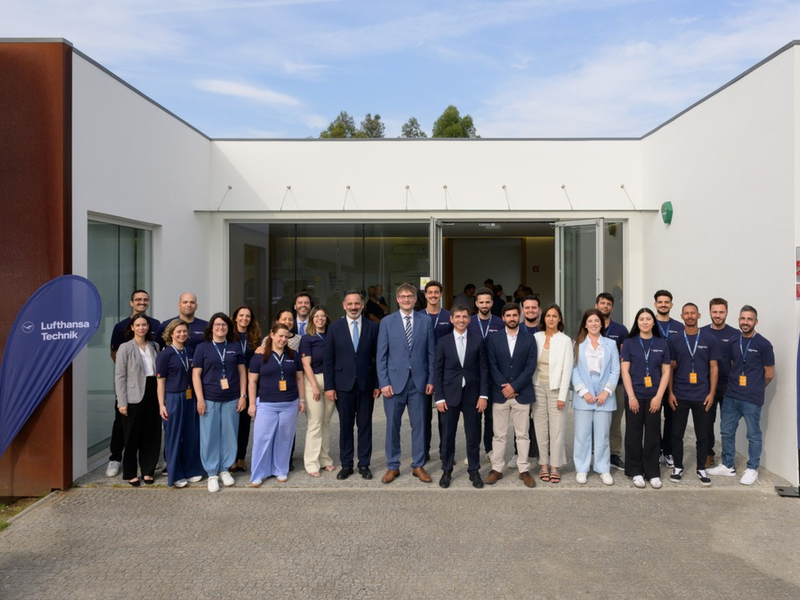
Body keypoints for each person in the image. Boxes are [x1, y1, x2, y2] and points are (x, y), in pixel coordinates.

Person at [708, 306, 775, 485]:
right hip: (731, 394)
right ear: (738, 320)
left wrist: (756, 387)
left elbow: (769, 373)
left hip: (751, 398)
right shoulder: (733, 340)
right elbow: (732, 362)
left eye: (749, 319)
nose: (745, 322)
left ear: (756, 322)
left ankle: (752, 468)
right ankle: (728, 465)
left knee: (753, 434)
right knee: (726, 431)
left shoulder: (763, 344)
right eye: (742, 318)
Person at [376, 283, 435, 484]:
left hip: (419, 383)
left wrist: (431, 379)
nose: (406, 299)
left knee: (419, 426)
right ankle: (393, 466)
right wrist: (383, 383)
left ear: (415, 299)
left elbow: (431, 354)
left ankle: (418, 465)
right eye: (403, 296)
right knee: (393, 426)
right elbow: (381, 356)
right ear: (398, 299)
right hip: (393, 384)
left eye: (410, 296)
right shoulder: (386, 322)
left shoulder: (425, 321)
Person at [324, 290, 380, 481]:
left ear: (363, 305)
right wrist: (329, 387)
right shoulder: (335, 328)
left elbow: (378, 358)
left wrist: (377, 384)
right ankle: (346, 465)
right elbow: (328, 360)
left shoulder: (373, 327)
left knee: (365, 426)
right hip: (343, 385)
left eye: (357, 303)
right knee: (345, 427)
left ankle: (364, 464)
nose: (354, 307)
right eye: (350, 304)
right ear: (344, 305)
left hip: (366, 385)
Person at [106, 290, 161, 478]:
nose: (142, 302)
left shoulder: (155, 327)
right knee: (123, 425)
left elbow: (158, 357)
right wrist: (132, 374)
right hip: (131, 385)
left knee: (150, 428)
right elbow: (115, 356)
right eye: (138, 299)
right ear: (131, 303)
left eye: (145, 299)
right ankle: (115, 458)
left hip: (151, 388)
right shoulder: (121, 327)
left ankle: (147, 466)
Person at [434, 304, 489, 489]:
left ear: (469, 319)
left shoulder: (478, 340)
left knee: (473, 436)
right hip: (449, 396)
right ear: (451, 319)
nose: (461, 320)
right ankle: (446, 471)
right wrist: (439, 398)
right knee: (448, 436)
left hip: (473, 396)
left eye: (464, 317)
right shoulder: (443, 342)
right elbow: (438, 371)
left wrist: (483, 395)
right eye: (457, 317)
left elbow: (483, 369)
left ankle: (474, 470)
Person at [191, 313, 247, 492]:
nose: (220, 327)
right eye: (217, 324)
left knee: (230, 435)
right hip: (209, 398)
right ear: (211, 327)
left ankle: (225, 469)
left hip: (232, 398)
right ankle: (212, 473)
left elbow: (242, 373)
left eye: (224, 324)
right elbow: (196, 375)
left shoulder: (235, 346)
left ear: (229, 327)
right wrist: (199, 398)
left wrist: (243, 395)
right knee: (210, 436)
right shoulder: (202, 348)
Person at [484, 303, 538, 488]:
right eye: (508, 315)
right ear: (504, 317)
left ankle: (524, 469)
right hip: (500, 394)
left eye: (515, 315)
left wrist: (514, 386)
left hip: (521, 393)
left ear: (520, 316)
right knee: (499, 434)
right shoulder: (494, 339)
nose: (512, 318)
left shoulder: (529, 339)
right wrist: (505, 387)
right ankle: (497, 469)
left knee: (522, 434)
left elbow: (530, 367)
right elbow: (492, 365)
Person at [667, 302, 719, 486]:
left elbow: (714, 368)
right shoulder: (674, 340)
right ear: (681, 317)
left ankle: (701, 468)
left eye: (693, 313)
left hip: (702, 395)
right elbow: (670, 369)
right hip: (680, 394)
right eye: (686, 314)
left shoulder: (709, 339)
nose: (689, 316)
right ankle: (678, 467)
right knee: (677, 433)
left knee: (702, 435)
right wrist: (670, 393)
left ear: (699, 316)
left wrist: (712, 393)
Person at [248, 323, 306, 485]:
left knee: (284, 439)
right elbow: (252, 381)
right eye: (280, 335)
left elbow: (299, 378)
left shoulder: (293, 355)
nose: (283, 339)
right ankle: (259, 473)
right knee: (262, 439)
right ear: (272, 335)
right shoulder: (259, 356)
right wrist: (252, 404)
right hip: (266, 404)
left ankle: (280, 469)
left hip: (289, 403)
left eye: (286, 337)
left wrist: (302, 400)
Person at [620, 308, 671, 489]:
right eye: (641, 319)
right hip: (634, 396)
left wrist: (659, 396)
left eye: (648, 319)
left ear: (653, 322)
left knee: (652, 434)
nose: (645, 322)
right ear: (637, 322)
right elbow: (624, 371)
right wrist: (631, 396)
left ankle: (652, 472)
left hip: (654, 397)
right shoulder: (629, 343)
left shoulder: (662, 343)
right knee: (633, 435)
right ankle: (635, 471)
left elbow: (666, 372)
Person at [571, 309, 620, 486]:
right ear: (585, 324)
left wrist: (607, 391)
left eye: (596, 321)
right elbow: (574, 369)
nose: (593, 324)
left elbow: (615, 370)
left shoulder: (610, 344)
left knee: (603, 435)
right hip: (584, 395)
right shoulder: (577, 343)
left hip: (604, 395)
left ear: (602, 323)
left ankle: (603, 468)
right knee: (582, 435)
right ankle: (582, 469)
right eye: (590, 321)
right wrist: (584, 391)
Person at [156, 319, 204, 488]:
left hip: (190, 397)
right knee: (174, 436)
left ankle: (191, 469)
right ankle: (175, 474)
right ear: (171, 334)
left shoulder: (190, 351)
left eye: (184, 331)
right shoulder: (165, 354)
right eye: (178, 332)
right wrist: (162, 405)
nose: (182, 334)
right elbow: (160, 382)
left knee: (191, 434)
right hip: (173, 398)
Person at [532, 304, 573, 484]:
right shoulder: (536, 337)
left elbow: (567, 370)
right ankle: (543, 464)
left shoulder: (565, 340)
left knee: (557, 430)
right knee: (540, 429)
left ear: (559, 319)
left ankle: (555, 465)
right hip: (537, 387)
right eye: (548, 316)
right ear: (544, 318)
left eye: (554, 316)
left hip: (557, 389)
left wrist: (563, 396)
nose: (550, 319)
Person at [468, 286, 504, 463]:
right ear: (476, 303)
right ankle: (472, 451)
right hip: (473, 378)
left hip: (493, 378)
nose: (484, 305)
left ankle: (489, 449)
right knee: (473, 417)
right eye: (481, 302)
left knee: (491, 417)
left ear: (492, 303)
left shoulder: (499, 323)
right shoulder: (469, 322)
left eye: (487, 302)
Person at [700, 298, 737, 467]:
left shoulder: (735, 334)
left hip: (729, 386)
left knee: (727, 424)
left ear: (727, 312)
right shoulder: (702, 333)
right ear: (709, 312)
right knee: (707, 421)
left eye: (721, 312)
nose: (718, 315)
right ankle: (708, 453)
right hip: (708, 386)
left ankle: (728, 457)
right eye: (715, 312)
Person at [299, 306, 335, 476]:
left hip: (330, 382)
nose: (320, 319)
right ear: (312, 319)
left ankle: (325, 459)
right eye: (317, 316)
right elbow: (306, 364)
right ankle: (311, 463)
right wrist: (313, 385)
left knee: (326, 422)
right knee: (315, 423)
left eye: (323, 316)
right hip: (313, 380)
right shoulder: (307, 339)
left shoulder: (332, 335)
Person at [420, 280, 454, 462]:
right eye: (430, 292)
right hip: (423, 372)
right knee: (424, 416)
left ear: (441, 294)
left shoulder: (449, 317)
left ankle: (445, 451)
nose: (433, 295)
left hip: (445, 372)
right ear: (425, 295)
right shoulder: (418, 316)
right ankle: (424, 451)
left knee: (444, 415)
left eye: (436, 292)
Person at [596, 292, 629, 471]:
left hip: (616, 383)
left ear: (612, 307)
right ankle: (596, 452)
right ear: (596, 305)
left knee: (615, 421)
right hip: (595, 384)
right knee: (596, 419)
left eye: (609, 304)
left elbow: (624, 357)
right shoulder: (590, 326)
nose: (605, 306)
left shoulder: (620, 330)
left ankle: (614, 454)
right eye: (602, 303)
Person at [653, 289, 684, 468]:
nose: (663, 304)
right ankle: (656, 451)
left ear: (671, 304)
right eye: (660, 302)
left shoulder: (679, 327)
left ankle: (669, 451)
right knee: (654, 418)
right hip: (654, 380)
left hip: (675, 381)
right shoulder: (650, 323)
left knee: (672, 417)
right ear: (655, 304)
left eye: (666, 302)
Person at [230, 306, 262, 473]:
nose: (244, 318)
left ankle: (241, 457)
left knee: (244, 423)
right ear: (235, 317)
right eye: (241, 315)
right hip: (231, 383)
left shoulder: (255, 337)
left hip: (249, 383)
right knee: (231, 423)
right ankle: (232, 458)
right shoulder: (228, 335)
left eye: (248, 316)